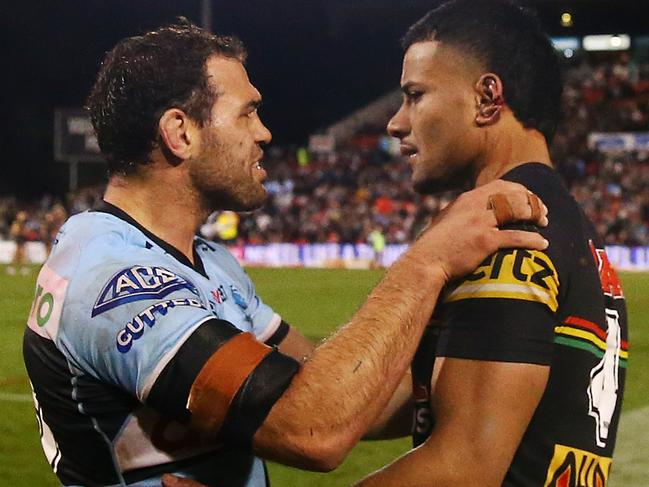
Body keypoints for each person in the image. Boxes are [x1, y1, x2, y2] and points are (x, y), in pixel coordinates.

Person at [22, 20, 548, 487]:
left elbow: (349, 395)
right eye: (247, 113)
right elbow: (312, 427)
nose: (265, 132)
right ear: (180, 132)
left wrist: (500, 364)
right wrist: (425, 262)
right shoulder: (111, 277)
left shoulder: (210, 263)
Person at [353, 1, 628, 485]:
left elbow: (463, 470)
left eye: (415, 95)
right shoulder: (570, 227)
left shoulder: (508, 235)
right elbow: (406, 398)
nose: (396, 123)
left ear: (487, 99)